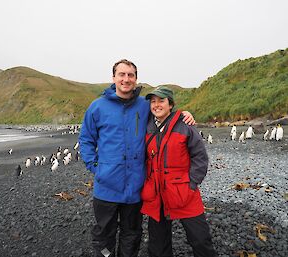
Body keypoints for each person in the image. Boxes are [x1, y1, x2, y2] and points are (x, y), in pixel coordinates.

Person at [79, 59, 195, 257]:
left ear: (135, 79)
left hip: (135, 186)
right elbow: (86, 140)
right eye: (121, 74)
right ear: (113, 78)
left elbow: (164, 114)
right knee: (104, 234)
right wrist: (96, 167)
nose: (126, 79)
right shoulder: (97, 107)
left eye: (130, 75)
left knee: (131, 233)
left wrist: (184, 114)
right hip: (106, 186)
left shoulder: (144, 105)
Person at [141, 86, 216, 257]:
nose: (156, 105)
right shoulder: (147, 127)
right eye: (153, 101)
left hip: (183, 191)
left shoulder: (186, 126)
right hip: (157, 193)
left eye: (161, 101)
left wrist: (192, 183)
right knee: (158, 246)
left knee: (200, 240)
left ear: (171, 104)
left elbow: (200, 157)